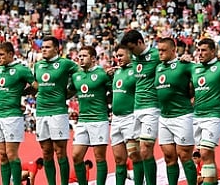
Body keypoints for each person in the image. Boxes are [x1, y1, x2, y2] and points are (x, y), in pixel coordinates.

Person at [32, 36, 79, 185]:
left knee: (60, 152)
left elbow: (81, 75)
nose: (43, 49)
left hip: (58, 112)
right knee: (46, 153)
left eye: (47, 47)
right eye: (42, 47)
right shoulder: (38, 66)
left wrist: (70, 92)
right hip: (41, 112)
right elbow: (35, 85)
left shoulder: (65, 64)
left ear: (57, 49)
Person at [156, 37, 198, 185]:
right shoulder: (158, 67)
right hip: (164, 117)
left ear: (173, 50)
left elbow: (202, 76)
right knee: (168, 157)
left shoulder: (184, 65)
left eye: (163, 50)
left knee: (185, 156)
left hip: (183, 116)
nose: (160, 53)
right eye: (158, 50)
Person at [121, 29, 160, 185]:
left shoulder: (157, 55)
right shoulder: (134, 59)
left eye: (132, 48)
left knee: (145, 150)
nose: (130, 53)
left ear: (139, 42)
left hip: (152, 108)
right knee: (136, 153)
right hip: (136, 109)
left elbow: (173, 63)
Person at [0, 41, 35, 185]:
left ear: (11, 54)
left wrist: (22, 92)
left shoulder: (21, 69)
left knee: (11, 154)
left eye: (2, 55)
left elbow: (36, 86)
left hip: (12, 116)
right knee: (2, 155)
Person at [72, 46, 111, 185]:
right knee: (76, 156)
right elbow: (69, 92)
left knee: (99, 157)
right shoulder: (76, 76)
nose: (81, 58)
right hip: (82, 121)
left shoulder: (102, 74)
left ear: (93, 58)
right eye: (79, 56)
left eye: (84, 56)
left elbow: (113, 91)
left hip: (99, 120)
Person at [192, 38, 220, 185]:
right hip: (196, 116)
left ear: (213, 51)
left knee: (206, 153)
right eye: (199, 50)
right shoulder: (194, 68)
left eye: (204, 50)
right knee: (205, 157)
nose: (200, 54)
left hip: (214, 116)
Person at [109, 45, 141, 185]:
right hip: (116, 119)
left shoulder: (136, 70)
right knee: (119, 159)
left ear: (130, 54)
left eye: (121, 55)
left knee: (135, 155)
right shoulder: (116, 72)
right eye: (117, 55)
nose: (118, 58)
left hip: (131, 117)